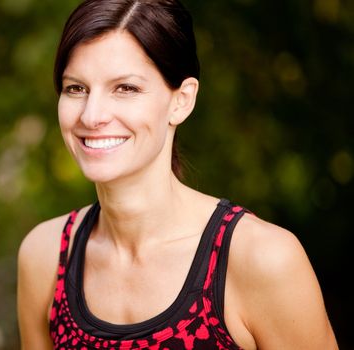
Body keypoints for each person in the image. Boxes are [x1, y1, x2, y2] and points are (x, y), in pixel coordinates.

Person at [17, 0, 338, 349]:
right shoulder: (46, 255)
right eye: (76, 88)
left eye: (125, 88)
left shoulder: (262, 259)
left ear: (181, 101)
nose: (92, 115)